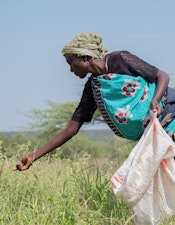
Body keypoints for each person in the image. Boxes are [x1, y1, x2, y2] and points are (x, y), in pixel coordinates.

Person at [14, 32, 175, 171]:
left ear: (84, 56)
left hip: (170, 114)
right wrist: (33, 156)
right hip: (155, 134)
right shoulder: (94, 88)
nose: (71, 70)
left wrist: (155, 100)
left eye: (71, 63)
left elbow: (162, 76)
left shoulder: (120, 59)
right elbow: (71, 129)